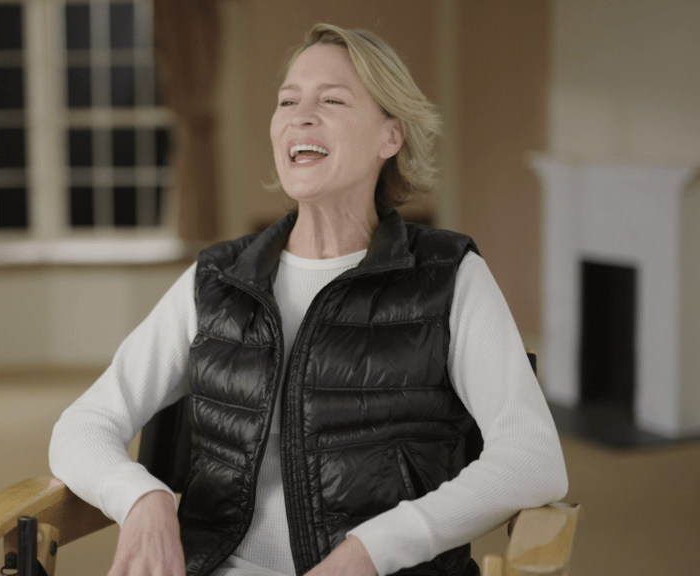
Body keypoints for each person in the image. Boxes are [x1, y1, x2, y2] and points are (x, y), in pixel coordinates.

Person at [49, 23, 567, 576]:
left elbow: (532, 457)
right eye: (288, 101)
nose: (300, 116)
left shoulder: (448, 275)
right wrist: (141, 497)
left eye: (332, 100)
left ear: (390, 137)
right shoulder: (219, 279)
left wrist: (372, 550)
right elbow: (84, 424)